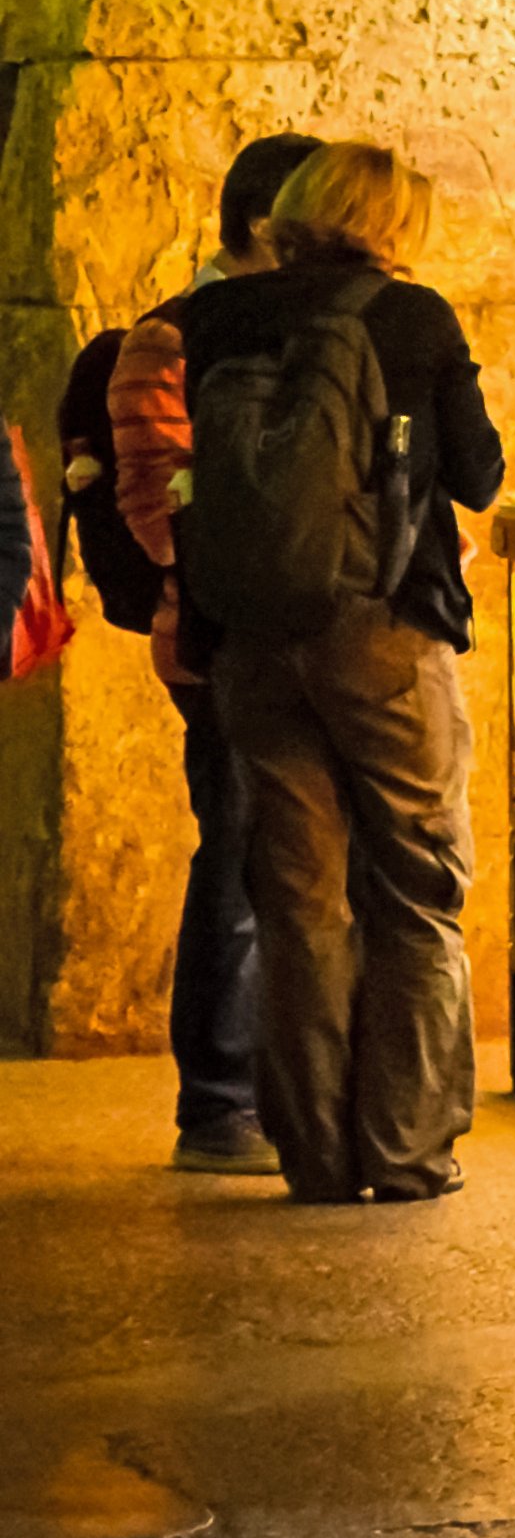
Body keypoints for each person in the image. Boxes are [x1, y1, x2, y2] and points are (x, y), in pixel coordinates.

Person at [188, 142, 510, 1204]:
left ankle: (317, 1156)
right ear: (391, 223)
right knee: (419, 888)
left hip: (251, 642)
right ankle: (406, 1150)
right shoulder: (412, 319)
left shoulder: (219, 319)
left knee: (298, 897)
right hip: (381, 632)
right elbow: (477, 472)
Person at [50, 131, 322, 1175]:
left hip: (287, 627)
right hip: (215, 635)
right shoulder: (176, 337)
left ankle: (276, 1091)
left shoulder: (298, 325)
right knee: (242, 845)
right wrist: (246, 580)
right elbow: (153, 496)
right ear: (265, 224)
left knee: (272, 851)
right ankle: (219, 1101)